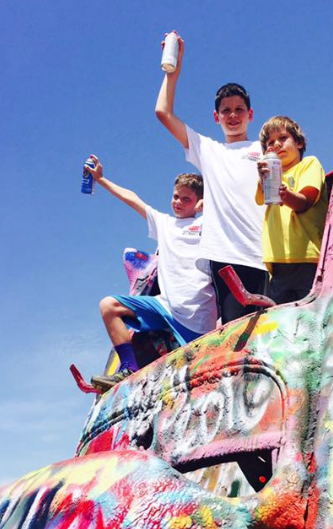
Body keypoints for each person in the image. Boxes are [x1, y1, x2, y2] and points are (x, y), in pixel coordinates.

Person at [155, 32, 266, 323]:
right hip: (226, 257)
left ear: (250, 114)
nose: (233, 115)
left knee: (272, 331)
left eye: (239, 110)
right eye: (225, 111)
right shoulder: (207, 149)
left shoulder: (264, 148)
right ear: (216, 117)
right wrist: (173, 72)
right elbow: (163, 113)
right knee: (236, 334)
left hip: (265, 253)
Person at [85, 155, 217, 390]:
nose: (178, 202)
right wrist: (102, 180)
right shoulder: (164, 224)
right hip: (165, 305)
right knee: (108, 306)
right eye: (176, 196)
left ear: (199, 202)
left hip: (199, 314)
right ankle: (128, 368)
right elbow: (133, 199)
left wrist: (212, 205)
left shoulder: (208, 223)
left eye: (186, 199)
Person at [256, 116, 328, 304]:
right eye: (270, 143)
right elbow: (263, 196)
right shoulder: (270, 178)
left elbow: (305, 201)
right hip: (278, 264)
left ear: (299, 143)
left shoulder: (308, 164)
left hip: (307, 259)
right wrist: (263, 175)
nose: (277, 145)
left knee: (311, 318)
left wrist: (285, 195)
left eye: (282, 138)